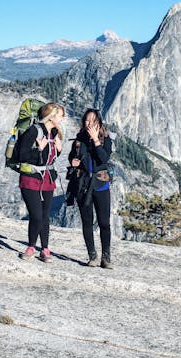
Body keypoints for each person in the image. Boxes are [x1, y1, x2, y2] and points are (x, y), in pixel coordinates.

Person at [17, 102, 65, 263]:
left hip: (47, 178)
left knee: (45, 215)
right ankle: (31, 246)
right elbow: (21, 154)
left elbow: (48, 158)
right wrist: (38, 149)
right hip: (30, 178)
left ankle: (45, 249)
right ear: (51, 116)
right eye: (60, 115)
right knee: (36, 215)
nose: (62, 118)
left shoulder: (53, 133)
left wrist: (58, 150)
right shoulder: (34, 131)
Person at [68, 108, 113, 269]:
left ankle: (106, 257)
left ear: (99, 123)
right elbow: (73, 155)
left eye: (92, 121)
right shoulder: (79, 138)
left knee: (104, 223)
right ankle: (92, 256)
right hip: (83, 185)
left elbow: (104, 158)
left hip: (101, 184)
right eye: (86, 120)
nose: (88, 123)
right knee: (87, 222)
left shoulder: (106, 138)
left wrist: (95, 140)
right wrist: (73, 161)